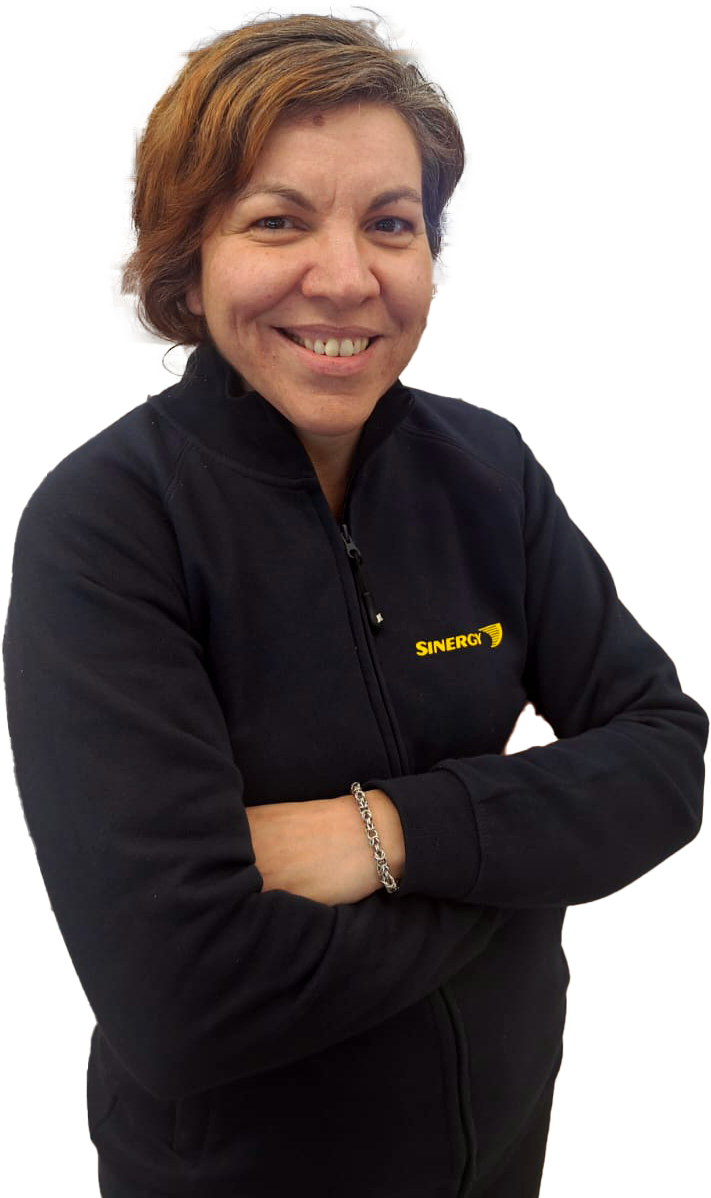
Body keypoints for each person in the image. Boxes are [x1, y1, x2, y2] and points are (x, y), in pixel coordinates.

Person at [2, 11, 707, 1198]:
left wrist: (379, 834)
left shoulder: (488, 472)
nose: (347, 277)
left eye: (391, 223)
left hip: (502, 1158)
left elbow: (666, 759)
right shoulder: (106, 527)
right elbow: (180, 997)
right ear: (186, 254)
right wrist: (518, 860)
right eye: (277, 221)